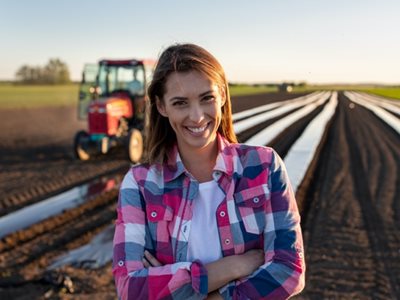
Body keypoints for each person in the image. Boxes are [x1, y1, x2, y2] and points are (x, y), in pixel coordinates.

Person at [112, 43, 305, 299]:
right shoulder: (140, 184)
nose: (197, 116)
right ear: (161, 106)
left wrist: (178, 289)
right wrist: (235, 266)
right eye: (180, 103)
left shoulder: (264, 167)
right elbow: (130, 288)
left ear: (223, 95)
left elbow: (288, 271)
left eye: (207, 98)